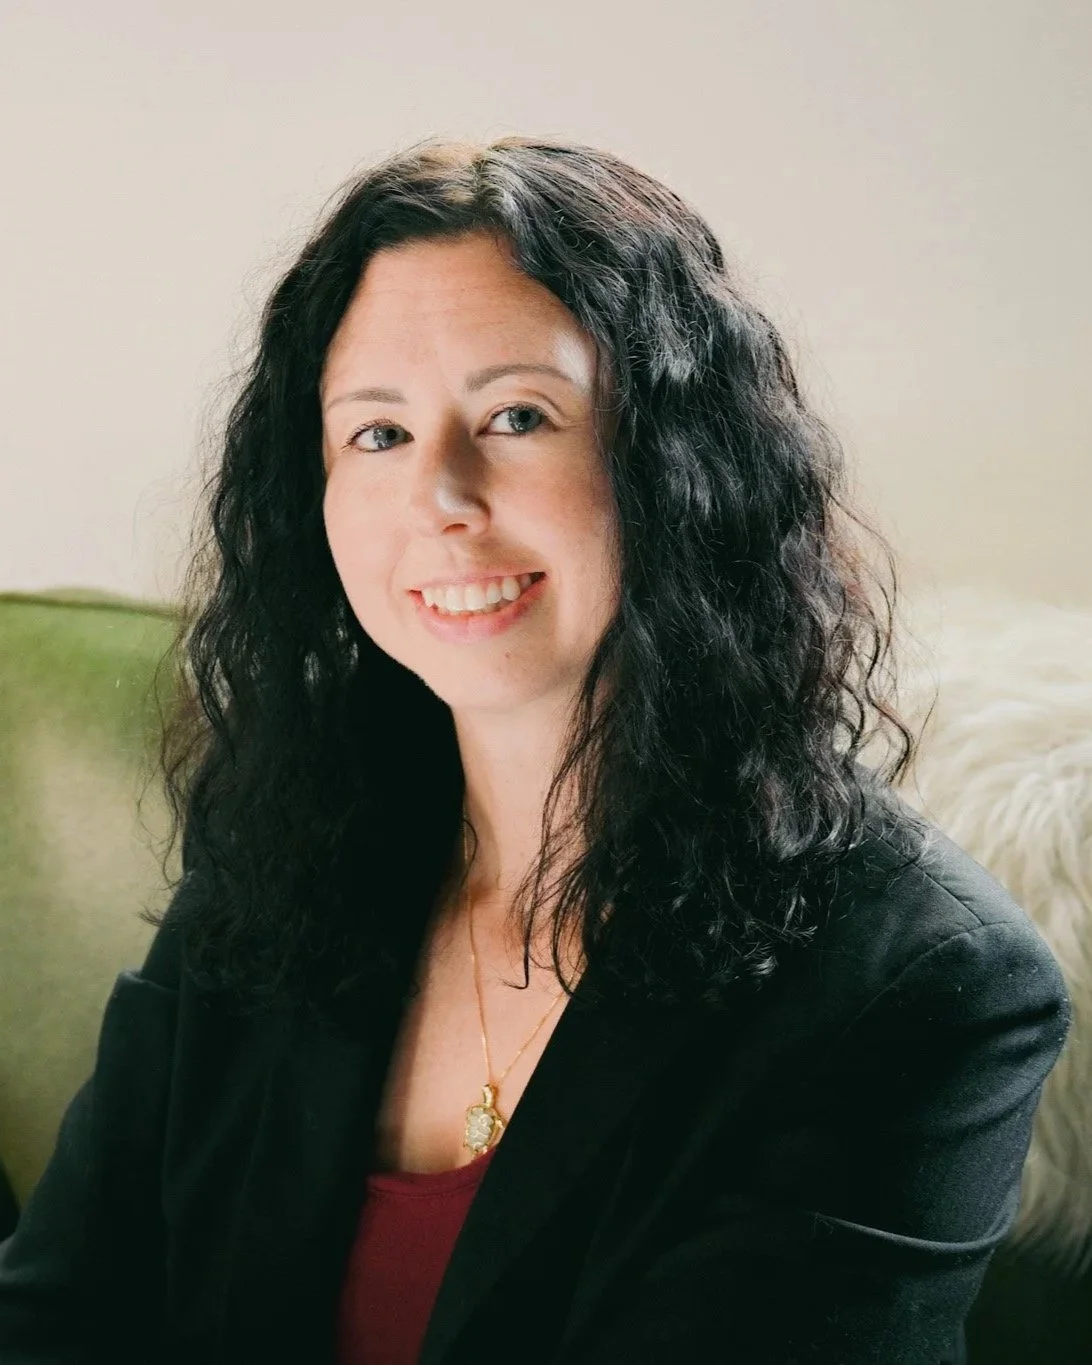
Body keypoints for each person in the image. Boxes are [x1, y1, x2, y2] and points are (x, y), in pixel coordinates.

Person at [0, 134, 1070, 1365]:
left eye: (518, 416)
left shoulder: (925, 989)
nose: (441, 494)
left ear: (680, 467)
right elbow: (57, 1312)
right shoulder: (281, 855)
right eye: (378, 434)